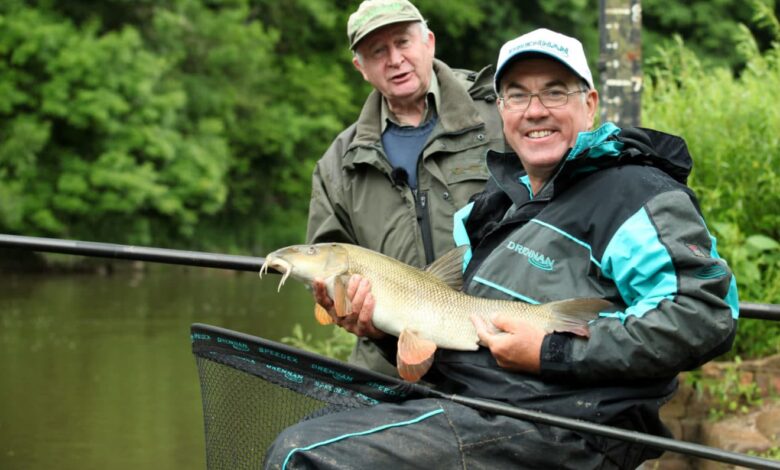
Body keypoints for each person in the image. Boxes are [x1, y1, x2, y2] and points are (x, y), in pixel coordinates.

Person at [269, 28, 739, 469]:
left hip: (560, 427)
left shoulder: (634, 194)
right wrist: (381, 330)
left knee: (301, 454)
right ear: (500, 110)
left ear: (590, 104)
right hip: (470, 404)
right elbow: (452, 330)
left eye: (555, 91)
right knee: (306, 433)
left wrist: (550, 350)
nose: (534, 110)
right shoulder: (494, 207)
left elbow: (706, 314)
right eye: (517, 94)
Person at [305, 0, 505, 377]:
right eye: (377, 51)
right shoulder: (338, 163)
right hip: (387, 364)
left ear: (429, 42)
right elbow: (326, 267)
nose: (394, 59)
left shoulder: (499, 117)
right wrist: (345, 309)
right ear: (360, 68)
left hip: (498, 351)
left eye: (403, 42)